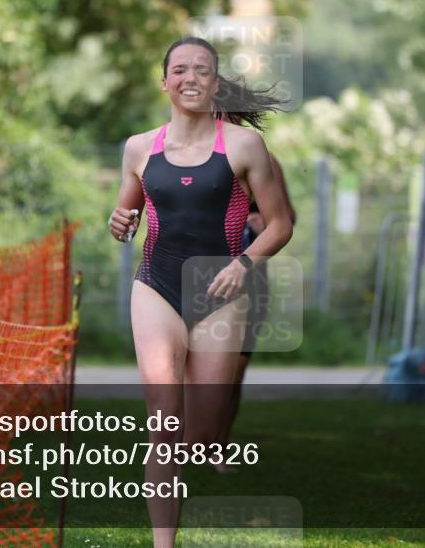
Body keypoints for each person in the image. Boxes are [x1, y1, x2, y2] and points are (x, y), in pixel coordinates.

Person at [108, 37, 293, 547]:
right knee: (164, 424)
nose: (191, 78)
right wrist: (118, 219)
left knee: (204, 431)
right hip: (156, 286)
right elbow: (126, 215)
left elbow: (279, 225)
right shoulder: (139, 147)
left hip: (220, 291)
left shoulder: (244, 147)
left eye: (202, 70)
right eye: (181, 70)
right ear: (164, 80)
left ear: (215, 81)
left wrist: (245, 263)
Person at [214, 152, 296, 470]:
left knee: (235, 368)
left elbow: (287, 218)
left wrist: (264, 222)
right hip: (196, 273)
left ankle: (218, 447)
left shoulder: (264, 159)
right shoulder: (187, 152)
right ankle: (186, 440)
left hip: (249, 279)